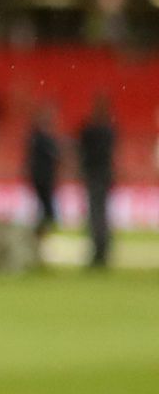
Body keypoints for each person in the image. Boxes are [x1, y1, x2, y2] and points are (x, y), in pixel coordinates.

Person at [76, 93, 117, 269]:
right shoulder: (109, 131)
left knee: (95, 217)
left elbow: (81, 151)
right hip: (104, 176)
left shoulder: (89, 130)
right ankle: (104, 251)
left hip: (93, 176)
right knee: (102, 215)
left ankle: (98, 252)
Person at [24, 104, 60, 238]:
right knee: (46, 205)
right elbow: (54, 154)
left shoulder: (36, 137)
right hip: (43, 177)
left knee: (44, 205)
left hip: (41, 176)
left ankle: (43, 229)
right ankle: (44, 229)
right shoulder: (41, 138)